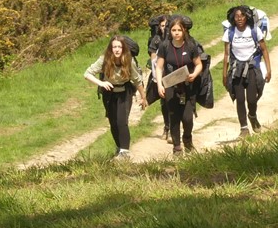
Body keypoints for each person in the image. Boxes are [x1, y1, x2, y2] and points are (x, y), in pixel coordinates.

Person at [84, 36, 147, 160]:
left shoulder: (129, 60)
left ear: (123, 48)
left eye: (119, 47)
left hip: (125, 91)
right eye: (114, 47)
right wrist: (101, 83)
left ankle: (125, 152)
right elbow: (87, 73)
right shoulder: (104, 59)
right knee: (113, 122)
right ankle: (119, 148)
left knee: (121, 121)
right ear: (110, 48)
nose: (117, 50)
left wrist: (143, 97)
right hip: (109, 92)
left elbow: (137, 80)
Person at [155, 16, 203, 155]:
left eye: (179, 30)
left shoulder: (190, 46)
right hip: (170, 85)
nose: (176, 33)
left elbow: (199, 64)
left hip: (188, 86)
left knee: (188, 118)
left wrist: (194, 74)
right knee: (174, 116)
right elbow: (159, 67)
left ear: (184, 31)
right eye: (173, 30)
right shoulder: (165, 46)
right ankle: (176, 146)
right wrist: (160, 85)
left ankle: (187, 138)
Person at [222, 6, 271, 138]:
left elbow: (264, 50)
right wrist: (224, 74)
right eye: (237, 16)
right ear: (233, 18)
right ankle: (244, 128)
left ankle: (252, 116)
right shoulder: (229, 33)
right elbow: (226, 55)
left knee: (251, 99)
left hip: (251, 69)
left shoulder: (255, 31)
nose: (239, 18)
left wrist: (268, 69)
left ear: (247, 17)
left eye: (242, 16)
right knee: (240, 99)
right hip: (237, 70)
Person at [147, 15, 171, 142]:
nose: (164, 28)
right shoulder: (156, 40)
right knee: (164, 102)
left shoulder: (174, 37)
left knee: (173, 101)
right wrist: (157, 77)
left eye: (166, 25)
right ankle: (166, 127)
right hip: (160, 73)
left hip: (173, 73)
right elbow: (153, 59)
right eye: (162, 26)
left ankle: (173, 129)